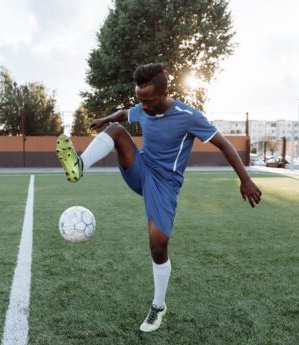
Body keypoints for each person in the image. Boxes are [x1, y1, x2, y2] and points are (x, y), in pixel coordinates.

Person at [56, 63, 262, 332]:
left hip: (165, 185)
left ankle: (158, 306)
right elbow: (125, 113)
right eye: (140, 99)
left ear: (163, 94)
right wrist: (106, 119)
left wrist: (245, 179)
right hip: (141, 170)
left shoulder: (188, 116)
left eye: (148, 100)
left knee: (157, 246)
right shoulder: (143, 107)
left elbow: (223, 143)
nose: (144, 106)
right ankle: (79, 166)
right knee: (117, 130)